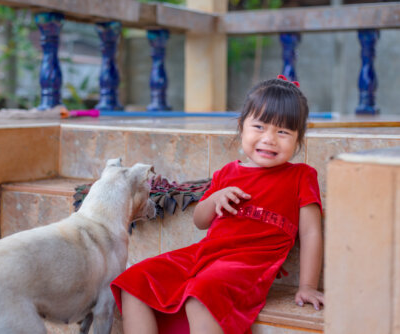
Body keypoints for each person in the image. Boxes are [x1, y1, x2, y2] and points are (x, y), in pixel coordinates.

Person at [110, 75, 324, 334]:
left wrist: (308, 285)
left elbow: (311, 233)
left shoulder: (300, 176)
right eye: (259, 127)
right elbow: (200, 221)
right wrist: (213, 199)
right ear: (241, 126)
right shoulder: (227, 173)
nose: (269, 139)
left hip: (248, 264)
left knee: (202, 294)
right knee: (134, 281)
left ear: (299, 138)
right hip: (205, 254)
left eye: (283, 132)